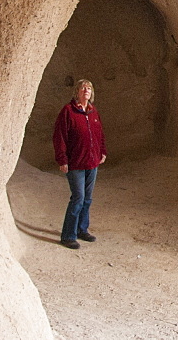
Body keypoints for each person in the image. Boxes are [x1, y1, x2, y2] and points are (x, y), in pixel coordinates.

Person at [53, 79, 107, 249]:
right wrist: (62, 159)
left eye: (89, 88)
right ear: (77, 91)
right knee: (78, 198)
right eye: (83, 88)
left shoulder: (92, 111)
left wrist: (102, 151)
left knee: (87, 199)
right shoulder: (68, 111)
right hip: (75, 163)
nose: (86, 90)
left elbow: (100, 134)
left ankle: (81, 229)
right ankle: (68, 235)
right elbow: (59, 137)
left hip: (92, 162)